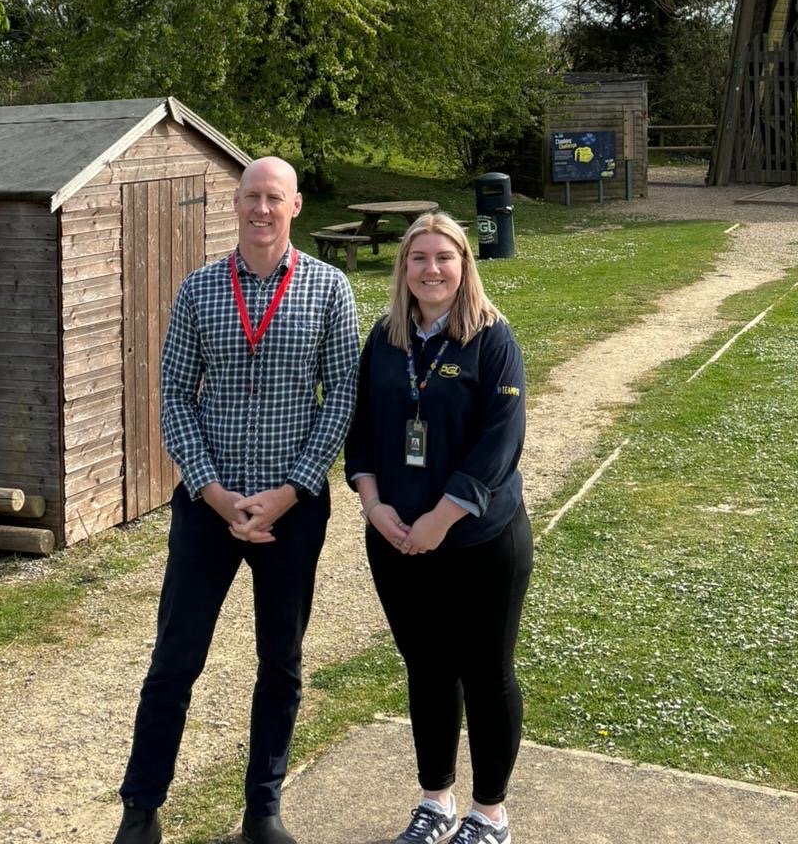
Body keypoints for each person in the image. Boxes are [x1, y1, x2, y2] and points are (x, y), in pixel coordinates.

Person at [111, 156, 359, 844]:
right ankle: (141, 810)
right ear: (236, 202)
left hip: (292, 509)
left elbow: (341, 395)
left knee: (281, 662)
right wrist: (216, 494)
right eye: (252, 196)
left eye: (274, 198)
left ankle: (263, 811)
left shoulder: (330, 288)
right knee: (175, 659)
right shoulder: (199, 289)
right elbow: (174, 395)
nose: (261, 209)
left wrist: (290, 491)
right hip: (208, 507)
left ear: (295, 206)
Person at [345, 213, 531, 844]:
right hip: (397, 538)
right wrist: (374, 506)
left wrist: (440, 519)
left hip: (480, 541)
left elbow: (499, 443)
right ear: (404, 268)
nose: (431, 269)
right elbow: (361, 428)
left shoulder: (492, 338)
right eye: (418, 258)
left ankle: (489, 814)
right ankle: (436, 803)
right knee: (426, 669)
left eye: (444, 257)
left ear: (463, 266)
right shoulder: (385, 338)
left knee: (485, 673)